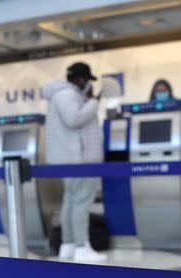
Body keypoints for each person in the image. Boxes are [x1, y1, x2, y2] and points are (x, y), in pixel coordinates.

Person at [42, 62, 107, 263]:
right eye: (87, 81)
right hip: (79, 159)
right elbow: (74, 120)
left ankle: (68, 245)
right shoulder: (68, 96)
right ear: (80, 80)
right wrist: (94, 103)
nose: (89, 85)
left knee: (70, 201)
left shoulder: (60, 96)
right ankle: (81, 246)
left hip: (69, 160)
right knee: (80, 203)